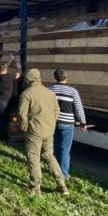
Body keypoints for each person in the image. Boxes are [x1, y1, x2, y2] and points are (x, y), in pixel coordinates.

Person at [18, 68, 69, 196]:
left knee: (34, 159)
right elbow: (56, 111)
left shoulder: (26, 93)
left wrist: (25, 128)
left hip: (34, 131)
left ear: (28, 80)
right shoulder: (50, 93)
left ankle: (35, 188)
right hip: (49, 130)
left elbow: (22, 114)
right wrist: (51, 123)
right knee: (49, 156)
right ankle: (62, 185)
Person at [50, 69, 87, 180]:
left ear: (55, 78)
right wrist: (83, 122)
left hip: (54, 123)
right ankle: (64, 174)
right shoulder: (72, 91)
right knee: (65, 149)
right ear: (66, 77)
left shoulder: (50, 90)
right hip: (67, 124)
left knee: (56, 147)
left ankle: (55, 170)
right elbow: (78, 108)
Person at [0, 58, 21, 142]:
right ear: (6, 69)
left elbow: (3, 68)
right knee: (3, 121)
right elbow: (19, 74)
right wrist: (19, 65)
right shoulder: (9, 77)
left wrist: (10, 60)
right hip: (4, 102)